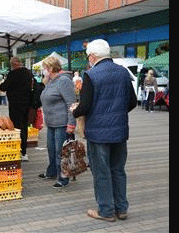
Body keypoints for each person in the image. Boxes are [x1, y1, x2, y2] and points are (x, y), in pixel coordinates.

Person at [71, 39, 137, 222]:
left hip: (98, 133)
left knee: (102, 171)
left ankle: (106, 211)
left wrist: (74, 111)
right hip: (120, 131)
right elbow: (132, 102)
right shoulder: (123, 72)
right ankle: (121, 209)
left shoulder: (91, 75)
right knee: (118, 170)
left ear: (92, 56)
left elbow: (84, 106)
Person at [38, 56, 76, 188]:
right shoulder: (51, 81)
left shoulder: (64, 81)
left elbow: (71, 103)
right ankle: (52, 171)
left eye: (45, 68)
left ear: (51, 68)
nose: (43, 70)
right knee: (51, 149)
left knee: (61, 152)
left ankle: (63, 178)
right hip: (52, 123)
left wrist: (71, 124)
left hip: (62, 123)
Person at [0, 57, 31, 161]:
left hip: (15, 104)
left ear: (14, 64)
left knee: (16, 127)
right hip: (27, 104)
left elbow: (3, 87)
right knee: (24, 127)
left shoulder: (12, 74)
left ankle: (18, 150)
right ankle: (24, 152)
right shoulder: (28, 73)